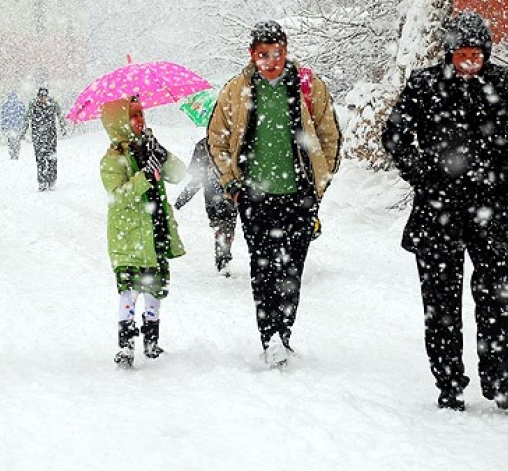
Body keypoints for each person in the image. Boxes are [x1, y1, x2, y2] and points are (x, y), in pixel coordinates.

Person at [381, 10, 508, 411]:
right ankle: (449, 382)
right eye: (461, 53)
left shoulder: (505, 83)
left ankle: (498, 380)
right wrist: (422, 174)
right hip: (437, 212)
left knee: (499, 298)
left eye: (477, 53)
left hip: (491, 210)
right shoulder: (424, 84)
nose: (470, 61)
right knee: (440, 304)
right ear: (448, 52)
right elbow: (395, 134)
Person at [207, 20, 341, 367]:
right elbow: (217, 139)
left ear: (286, 50)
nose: (271, 61)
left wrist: (318, 181)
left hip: (298, 195)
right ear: (252, 55)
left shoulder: (307, 86)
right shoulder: (237, 90)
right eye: (263, 54)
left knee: (292, 268)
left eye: (277, 53)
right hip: (254, 197)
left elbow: (329, 133)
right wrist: (232, 182)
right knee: (263, 268)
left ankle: (285, 332)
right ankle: (269, 337)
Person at [100, 96, 186, 367]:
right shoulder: (112, 160)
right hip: (130, 236)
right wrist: (144, 178)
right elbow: (118, 196)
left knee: (154, 288)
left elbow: (179, 174)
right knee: (129, 290)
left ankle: (152, 340)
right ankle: (126, 345)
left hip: (155, 228)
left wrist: (160, 153)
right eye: (133, 116)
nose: (140, 120)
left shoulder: (149, 149)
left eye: (141, 114)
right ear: (119, 123)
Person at [174, 137, 238, 276]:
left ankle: (223, 256)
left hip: (220, 196)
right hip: (223, 196)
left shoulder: (204, 145)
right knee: (225, 227)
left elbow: (197, 178)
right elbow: (197, 178)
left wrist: (182, 199)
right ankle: (223, 259)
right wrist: (182, 199)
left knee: (224, 227)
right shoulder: (230, 143)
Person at [23, 87, 63, 191]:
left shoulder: (53, 104)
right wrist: (23, 132)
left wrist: (63, 127)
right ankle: (42, 182)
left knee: (52, 158)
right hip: (38, 137)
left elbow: (60, 115)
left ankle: (52, 180)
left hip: (51, 136)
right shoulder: (33, 105)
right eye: (41, 96)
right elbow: (26, 118)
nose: (42, 98)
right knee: (40, 159)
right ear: (37, 96)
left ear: (47, 96)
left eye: (44, 96)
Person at [0, 91, 26, 160]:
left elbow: (3, 116)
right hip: (17, 126)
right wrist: (23, 125)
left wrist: (3, 126)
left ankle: (12, 153)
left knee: (10, 141)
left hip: (9, 127)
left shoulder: (6, 105)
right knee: (17, 140)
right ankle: (16, 153)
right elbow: (23, 115)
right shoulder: (20, 105)